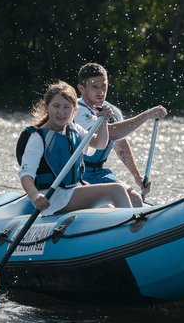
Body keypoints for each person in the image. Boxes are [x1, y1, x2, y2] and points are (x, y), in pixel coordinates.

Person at [17, 81, 133, 215]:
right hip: (52, 198)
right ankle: (134, 225)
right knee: (117, 190)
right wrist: (34, 195)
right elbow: (26, 174)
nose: (61, 112)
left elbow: (100, 144)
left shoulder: (74, 129)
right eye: (56, 106)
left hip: (74, 190)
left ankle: (129, 223)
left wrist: (103, 122)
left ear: (75, 110)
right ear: (47, 107)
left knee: (110, 209)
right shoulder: (38, 137)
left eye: (67, 107)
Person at [76, 62, 168, 207]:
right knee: (115, 204)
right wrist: (146, 115)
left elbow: (120, 146)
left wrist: (137, 176)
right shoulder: (76, 110)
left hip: (99, 172)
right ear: (81, 88)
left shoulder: (113, 111)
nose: (101, 92)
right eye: (95, 87)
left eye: (104, 86)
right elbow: (111, 133)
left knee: (135, 199)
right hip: (77, 174)